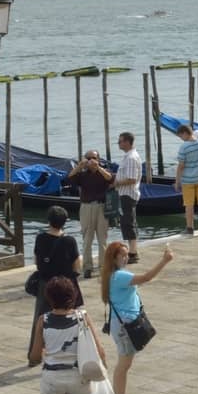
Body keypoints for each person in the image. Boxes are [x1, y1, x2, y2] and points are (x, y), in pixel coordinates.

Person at [101, 241, 174, 394]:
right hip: (125, 326)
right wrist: (165, 260)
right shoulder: (119, 277)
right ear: (114, 258)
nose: (126, 258)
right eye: (122, 255)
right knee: (123, 365)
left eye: (127, 255)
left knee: (125, 364)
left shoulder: (114, 275)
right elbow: (147, 278)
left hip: (123, 323)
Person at [26, 205, 82, 366]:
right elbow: (76, 265)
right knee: (70, 317)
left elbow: (37, 262)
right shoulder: (70, 241)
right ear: (65, 222)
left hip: (45, 283)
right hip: (65, 284)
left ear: (49, 221)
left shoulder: (40, 238)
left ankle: (33, 355)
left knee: (39, 319)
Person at [68, 149, 112, 277]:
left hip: (101, 206)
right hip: (86, 207)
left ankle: (103, 266)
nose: (91, 160)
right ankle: (87, 267)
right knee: (87, 238)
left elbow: (110, 178)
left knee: (102, 238)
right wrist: (79, 166)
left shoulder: (103, 171)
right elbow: (69, 179)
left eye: (93, 158)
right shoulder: (82, 174)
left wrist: (98, 168)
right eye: (88, 158)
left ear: (98, 159)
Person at [172, 123, 198, 236]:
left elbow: (181, 166)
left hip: (188, 181)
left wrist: (177, 181)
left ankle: (190, 228)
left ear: (185, 133)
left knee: (189, 205)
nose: (181, 139)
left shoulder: (184, 147)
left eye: (181, 136)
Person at [113, 131, 143, 263]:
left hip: (127, 194)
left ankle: (133, 252)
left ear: (126, 142)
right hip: (126, 193)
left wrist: (116, 183)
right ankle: (133, 250)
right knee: (127, 222)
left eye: (120, 141)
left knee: (128, 223)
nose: (118, 144)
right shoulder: (129, 156)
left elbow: (131, 179)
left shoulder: (131, 158)